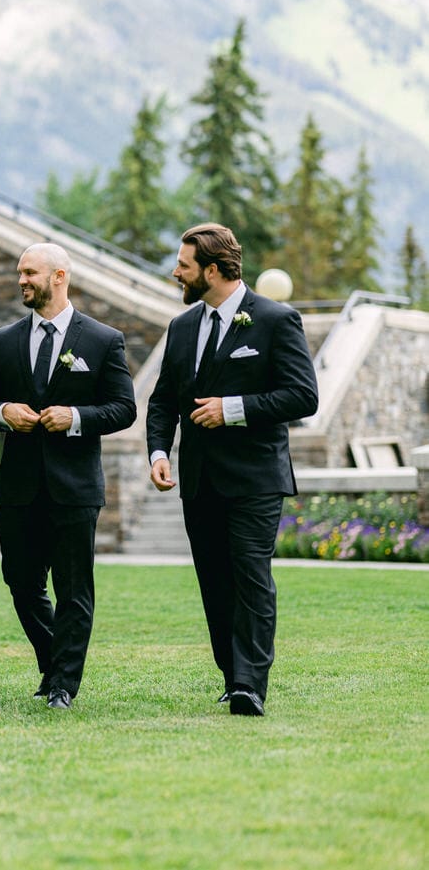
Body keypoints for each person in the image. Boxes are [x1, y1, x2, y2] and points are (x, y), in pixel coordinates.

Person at [146, 223, 318, 717]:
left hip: (254, 479)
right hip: (198, 481)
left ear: (213, 270)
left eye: (184, 266)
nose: (176, 273)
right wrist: (159, 454)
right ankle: (231, 675)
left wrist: (232, 408)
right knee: (214, 582)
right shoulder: (181, 327)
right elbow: (162, 403)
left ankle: (249, 684)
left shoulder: (275, 320)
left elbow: (303, 396)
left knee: (250, 576)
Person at [0, 243, 135, 709]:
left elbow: (124, 408)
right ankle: (53, 661)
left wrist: (76, 417)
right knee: (20, 582)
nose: (21, 281)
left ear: (59, 276)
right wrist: (5, 412)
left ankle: (63, 684)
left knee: (72, 589)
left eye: (29, 273)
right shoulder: (2, 341)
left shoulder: (103, 340)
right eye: (19, 273)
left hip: (75, 488)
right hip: (20, 486)